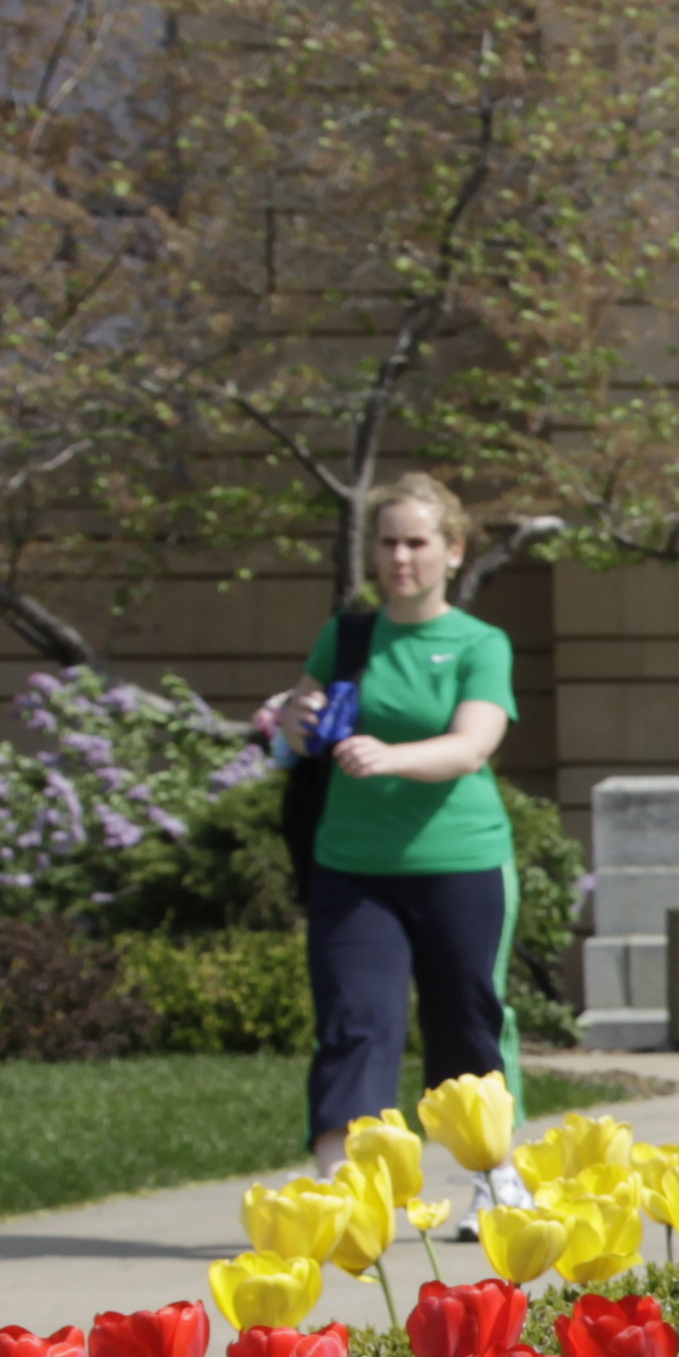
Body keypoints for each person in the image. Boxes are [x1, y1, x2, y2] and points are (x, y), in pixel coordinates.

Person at [256, 474, 525, 1156]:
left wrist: (390, 757)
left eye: (416, 543)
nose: (399, 559)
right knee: (355, 1022)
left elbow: (472, 746)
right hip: (352, 866)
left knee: (464, 1022)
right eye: (387, 543)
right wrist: (295, 720)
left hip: (459, 863)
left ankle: (490, 1176)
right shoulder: (346, 636)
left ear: (453, 551)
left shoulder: (479, 644)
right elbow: (301, 730)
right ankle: (342, 1181)